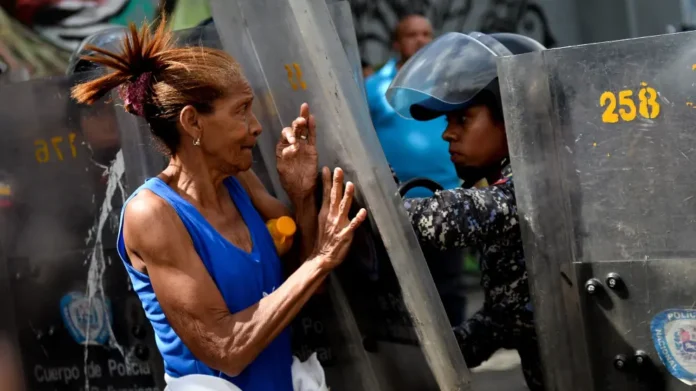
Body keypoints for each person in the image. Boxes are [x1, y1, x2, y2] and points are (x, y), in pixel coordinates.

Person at [70, 19, 367, 391]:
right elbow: (225, 348)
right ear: (193, 122)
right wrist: (322, 258)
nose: (256, 126)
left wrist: (302, 195)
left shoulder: (239, 180)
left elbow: (304, 287)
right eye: (241, 110)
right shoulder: (151, 214)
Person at [387, 32, 547, 390]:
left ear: (513, 116)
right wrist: (434, 355)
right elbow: (506, 317)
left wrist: (365, 199)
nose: (448, 134)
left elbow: (440, 220)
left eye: (462, 119)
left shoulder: (536, 190)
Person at [365, 14, 460, 198]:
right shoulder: (373, 86)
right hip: (393, 198)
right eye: (411, 35)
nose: (420, 40)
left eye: (426, 34)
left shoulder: (449, 84)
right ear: (396, 44)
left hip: (448, 196)